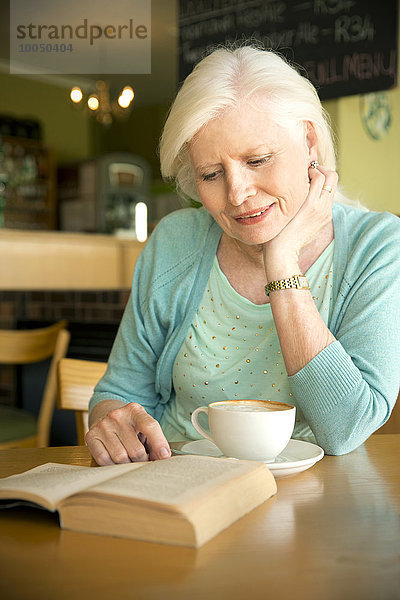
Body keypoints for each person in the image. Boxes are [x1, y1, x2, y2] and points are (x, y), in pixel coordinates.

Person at [86, 45, 400, 465]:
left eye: (257, 159)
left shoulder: (377, 246)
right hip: (182, 487)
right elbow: (119, 394)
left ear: (309, 141)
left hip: (316, 503)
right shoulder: (174, 242)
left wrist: (282, 260)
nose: (237, 194)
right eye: (211, 174)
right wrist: (111, 419)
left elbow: (346, 429)